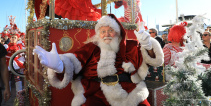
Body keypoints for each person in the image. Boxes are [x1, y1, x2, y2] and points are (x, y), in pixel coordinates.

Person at [34, 14, 164, 106]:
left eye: (110, 30)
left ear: (117, 33)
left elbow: (153, 59)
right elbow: (74, 61)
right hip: (96, 92)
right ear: (98, 34)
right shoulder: (91, 48)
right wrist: (59, 66)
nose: (106, 34)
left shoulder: (129, 46)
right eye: (103, 31)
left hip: (127, 90)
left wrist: (148, 45)